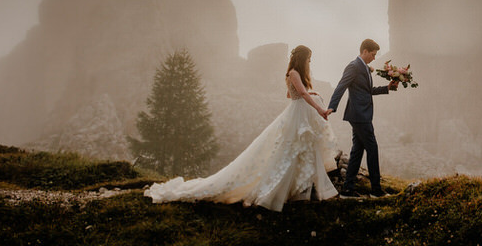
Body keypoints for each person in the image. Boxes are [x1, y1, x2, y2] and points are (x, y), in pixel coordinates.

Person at [144, 45, 339, 212]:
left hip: (296, 113)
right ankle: (282, 191)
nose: (310, 63)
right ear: (303, 58)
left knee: (295, 151)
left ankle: (299, 191)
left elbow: (292, 95)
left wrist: (308, 93)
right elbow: (301, 95)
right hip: (297, 115)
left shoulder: (291, 74)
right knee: (289, 152)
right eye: (309, 59)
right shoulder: (294, 73)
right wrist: (320, 107)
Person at [327, 38, 398, 198]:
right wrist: (332, 106)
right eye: (373, 54)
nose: (374, 58)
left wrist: (387, 88)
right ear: (364, 51)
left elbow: (368, 90)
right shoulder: (353, 67)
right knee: (372, 148)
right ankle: (376, 190)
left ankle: (348, 189)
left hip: (362, 114)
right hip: (359, 115)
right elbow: (341, 86)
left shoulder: (365, 68)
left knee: (357, 151)